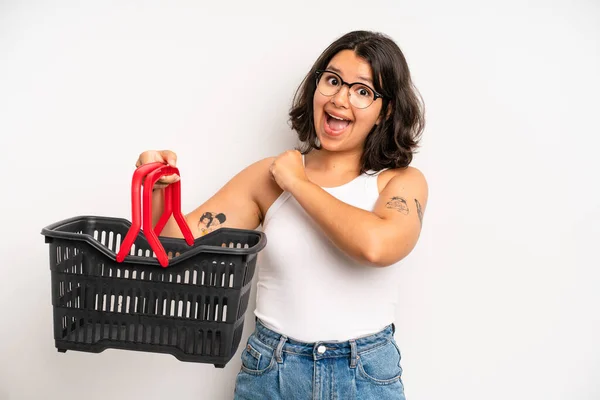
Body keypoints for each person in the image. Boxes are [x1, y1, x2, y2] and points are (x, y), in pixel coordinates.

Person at [136, 30, 427, 400]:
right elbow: (172, 249)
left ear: (385, 111)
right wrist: (158, 189)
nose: (340, 98)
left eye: (362, 91)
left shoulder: (400, 183)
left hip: (365, 375)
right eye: (333, 80)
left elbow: (376, 247)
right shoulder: (266, 177)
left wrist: (297, 183)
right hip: (271, 371)